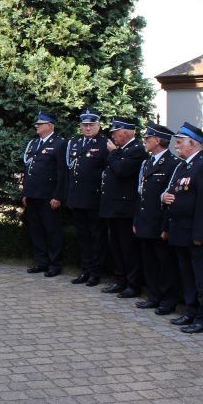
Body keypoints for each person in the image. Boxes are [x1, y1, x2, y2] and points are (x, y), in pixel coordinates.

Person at [162, 122, 203, 334]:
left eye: (179, 142)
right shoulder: (184, 166)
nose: (176, 146)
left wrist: (200, 235)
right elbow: (172, 192)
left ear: (192, 143)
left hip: (197, 235)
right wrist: (164, 197)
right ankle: (191, 312)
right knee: (187, 277)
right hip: (181, 232)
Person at [134, 122, 180, 315]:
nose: (145, 141)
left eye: (148, 138)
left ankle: (168, 301)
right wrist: (136, 220)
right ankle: (154, 296)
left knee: (165, 263)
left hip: (160, 222)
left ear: (158, 141)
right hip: (145, 220)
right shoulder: (147, 163)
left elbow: (170, 199)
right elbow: (140, 194)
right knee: (149, 262)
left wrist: (166, 227)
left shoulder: (174, 164)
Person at [99, 117, 148, 298]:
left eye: (115, 132)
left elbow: (122, 170)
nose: (113, 136)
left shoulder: (137, 150)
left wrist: (113, 153)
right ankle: (120, 280)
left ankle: (133, 284)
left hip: (125, 208)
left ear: (126, 132)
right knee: (116, 247)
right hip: (113, 207)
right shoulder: (121, 150)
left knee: (128, 249)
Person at [65, 108, 109, 287]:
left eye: (91, 124)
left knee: (96, 237)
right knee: (82, 237)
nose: (88, 128)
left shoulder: (105, 144)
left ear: (98, 125)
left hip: (94, 199)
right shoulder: (75, 142)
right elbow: (70, 170)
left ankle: (95, 273)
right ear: (80, 126)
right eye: (85, 125)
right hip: (77, 198)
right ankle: (85, 269)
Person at [22, 111, 67, 277]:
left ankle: (55, 264)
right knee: (36, 230)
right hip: (33, 194)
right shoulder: (34, 143)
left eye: (40, 124)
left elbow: (62, 173)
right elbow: (28, 169)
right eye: (37, 123)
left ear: (50, 125)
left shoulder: (59, 143)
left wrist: (58, 196)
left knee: (52, 231)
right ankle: (41, 262)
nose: (37, 126)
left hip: (49, 196)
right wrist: (25, 192)